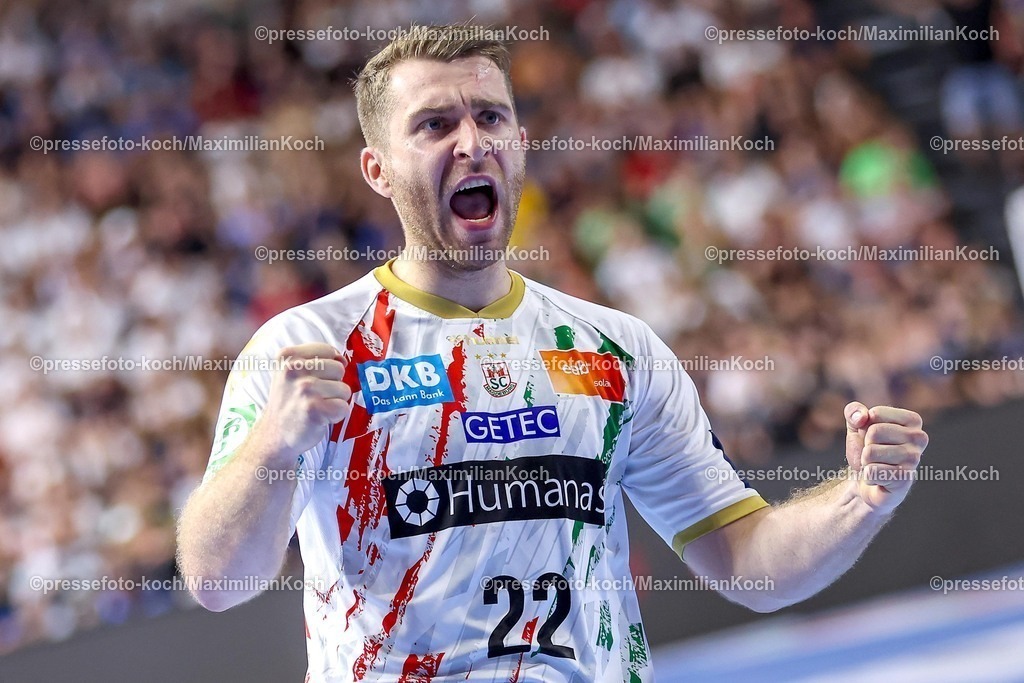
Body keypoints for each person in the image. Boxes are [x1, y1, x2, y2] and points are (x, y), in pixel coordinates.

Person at [176, 25, 930, 682]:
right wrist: (273, 444)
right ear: (378, 169)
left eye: (490, 117)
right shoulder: (308, 349)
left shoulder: (613, 347)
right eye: (434, 124)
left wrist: (860, 498)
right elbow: (216, 579)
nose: (471, 141)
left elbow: (748, 561)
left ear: (520, 142)